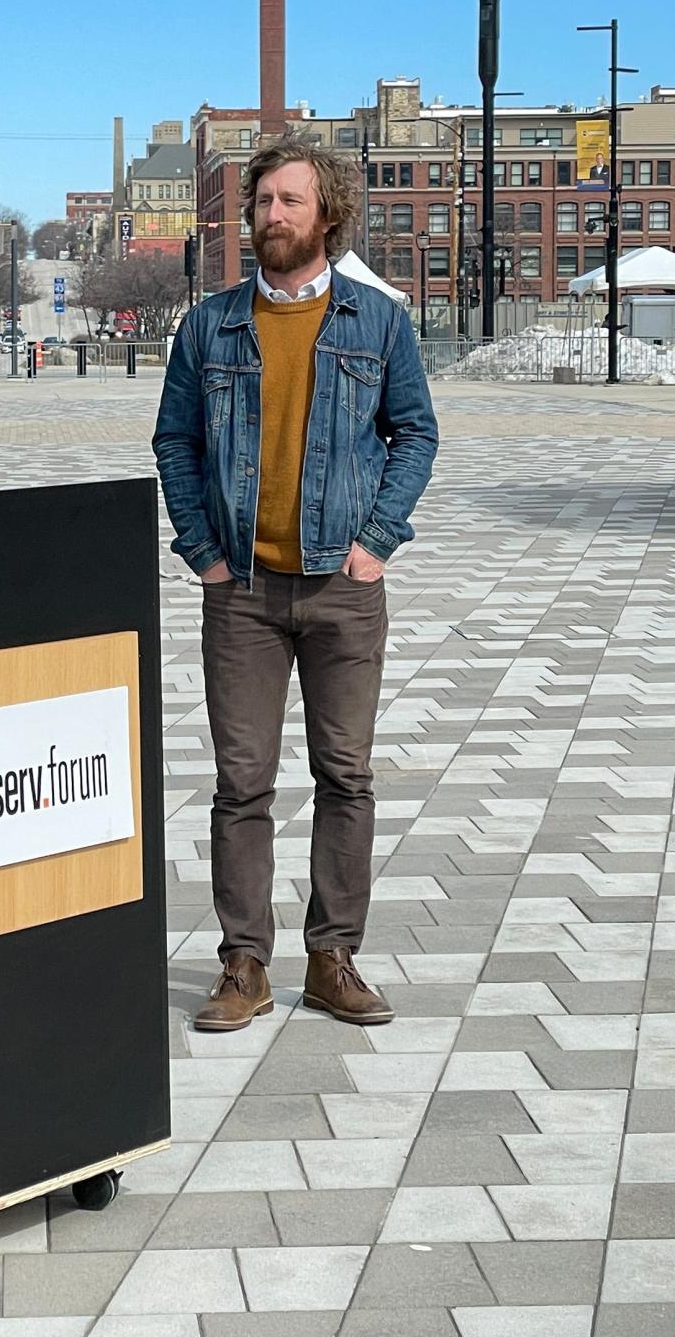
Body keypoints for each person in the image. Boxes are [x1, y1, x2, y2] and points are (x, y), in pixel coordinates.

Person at [153, 136, 438, 1031]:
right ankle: (244, 964)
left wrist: (376, 541)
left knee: (344, 774)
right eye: (263, 200)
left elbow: (415, 434)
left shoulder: (376, 321)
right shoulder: (210, 325)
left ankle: (332, 956)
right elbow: (176, 442)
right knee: (243, 783)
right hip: (242, 590)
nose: (272, 216)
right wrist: (202, 551)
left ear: (329, 215)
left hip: (342, 588)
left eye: (290, 201)